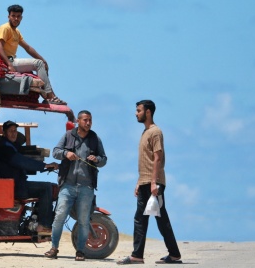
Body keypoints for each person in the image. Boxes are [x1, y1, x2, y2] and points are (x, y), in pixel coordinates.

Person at [117, 100, 182, 265]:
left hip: (154, 183)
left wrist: (153, 183)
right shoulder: (145, 132)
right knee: (146, 218)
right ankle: (166, 254)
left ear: (148, 112)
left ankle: (143, 255)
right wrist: (140, 181)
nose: (135, 113)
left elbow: (157, 158)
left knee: (152, 219)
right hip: (146, 182)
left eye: (138, 110)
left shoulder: (155, 132)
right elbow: (146, 160)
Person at [45, 110, 107, 261]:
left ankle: (80, 251)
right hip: (68, 185)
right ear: (78, 121)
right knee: (59, 216)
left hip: (87, 187)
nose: (88, 123)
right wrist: (66, 154)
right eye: (85, 120)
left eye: (90, 120)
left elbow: (104, 159)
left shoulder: (95, 138)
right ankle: (54, 248)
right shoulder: (68, 136)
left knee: (84, 220)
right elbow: (55, 152)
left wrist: (97, 159)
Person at [0, 120, 58, 235]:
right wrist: (44, 166)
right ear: (4, 133)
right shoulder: (5, 147)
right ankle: (44, 226)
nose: (14, 133)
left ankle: (36, 220)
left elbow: (21, 163)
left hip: (14, 183)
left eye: (15, 131)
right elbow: (20, 161)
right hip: (14, 186)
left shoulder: (8, 146)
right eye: (11, 131)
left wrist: (40, 167)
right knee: (47, 187)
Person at [0, 4, 66, 105]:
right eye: (13, 16)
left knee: (41, 64)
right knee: (38, 64)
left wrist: (43, 60)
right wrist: (9, 64)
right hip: (3, 61)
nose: (16, 19)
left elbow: (28, 48)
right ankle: (50, 96)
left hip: (11, 60)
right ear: (8, 16)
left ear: (21, 18)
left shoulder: (16, 32)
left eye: (18, 16)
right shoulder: (5, 28)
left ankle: (46, 96)